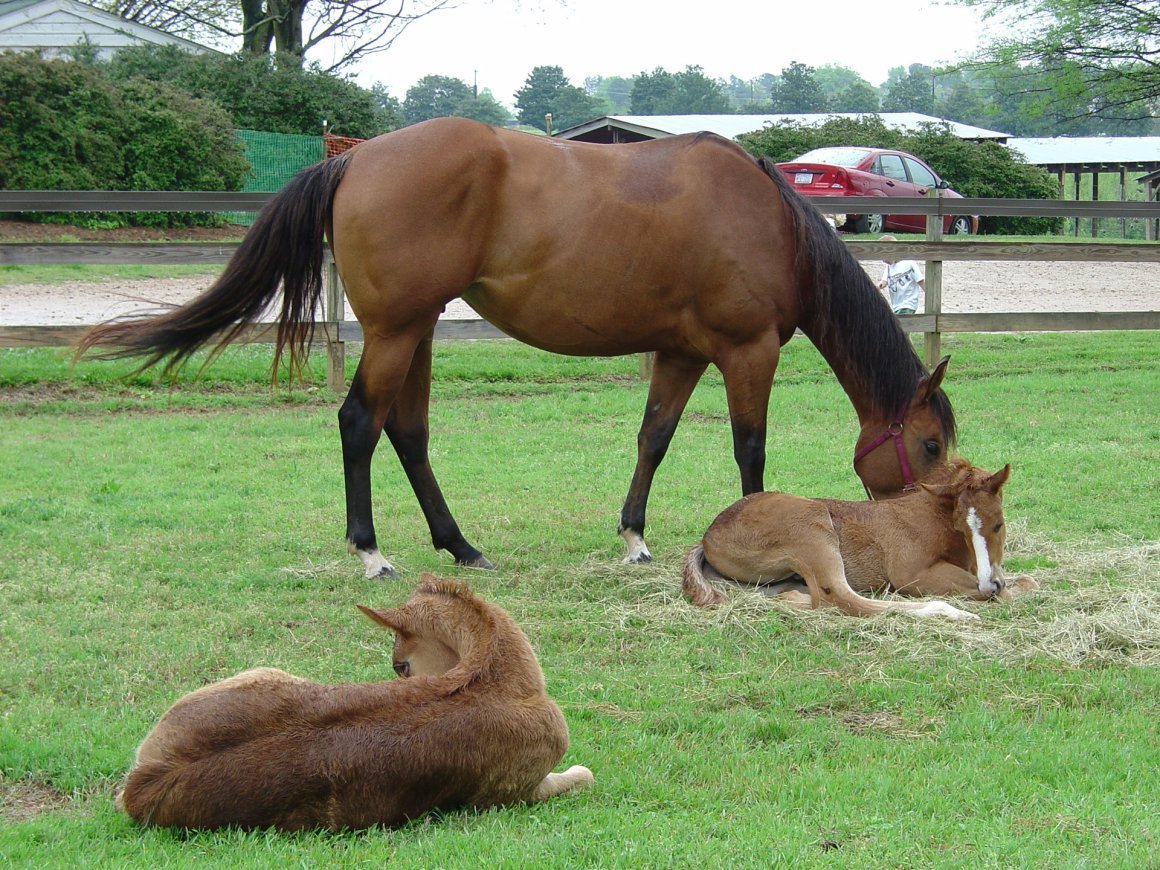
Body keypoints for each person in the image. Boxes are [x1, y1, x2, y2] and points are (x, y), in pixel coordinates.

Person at [875, 234, 924, 315]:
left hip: (908, 304)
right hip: (896, 305)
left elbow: (921, 281)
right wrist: (879, 286)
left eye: (884, 257)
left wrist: (929, 294)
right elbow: (884, 282)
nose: (883, 261)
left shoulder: (909, 263)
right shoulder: (889, 267)